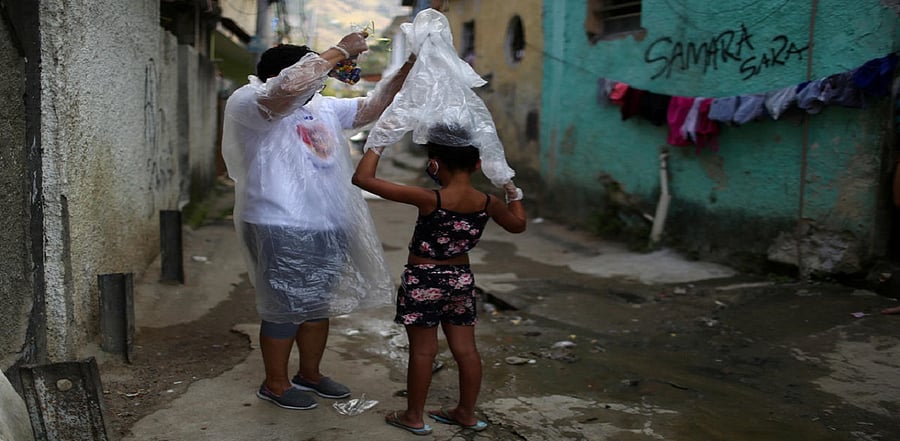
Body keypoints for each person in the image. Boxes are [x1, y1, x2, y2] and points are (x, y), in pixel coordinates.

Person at [221, 33, 413, 410]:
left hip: (328, 222)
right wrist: (339, 51)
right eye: (313, 76)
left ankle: (309, 373)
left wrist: (408, 67)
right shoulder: (251, 100)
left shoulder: (320, 106)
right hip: (278, 221)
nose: (317, 84)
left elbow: (372, 108)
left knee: (317, 304)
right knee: (285, 305)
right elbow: (287, 88)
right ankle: (275, 383)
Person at [352, 125, 527, 435]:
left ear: (434, 164)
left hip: (423, 279)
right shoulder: (488, 202)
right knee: (466, 350)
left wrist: (378, 144)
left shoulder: (430, 198)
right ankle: (466, 413)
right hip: (461, 280)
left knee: (423, 351)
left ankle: (414, 417)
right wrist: (512, 192)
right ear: (477, 165)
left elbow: (362, 179)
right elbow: (518, 225)